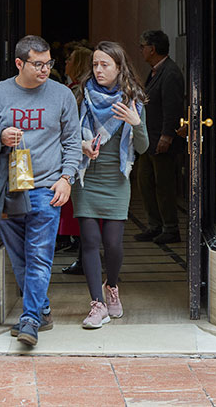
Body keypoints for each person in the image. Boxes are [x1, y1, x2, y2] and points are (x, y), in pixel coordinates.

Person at [0, 35, 81, 346]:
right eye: (38, 64)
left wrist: (66, 178)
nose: (45, 69)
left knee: (39, 256)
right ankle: (42, 309)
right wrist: (0, 136)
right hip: (7, 189)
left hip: (47, 187)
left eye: (48, 63)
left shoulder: (62, 95)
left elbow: (72, 142)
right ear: (19, 63)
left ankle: (30, 318)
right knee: (19, 256)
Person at [72, 41, 149, 328]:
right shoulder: (81, 96)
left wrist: (136, 123)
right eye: (95, 64)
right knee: (90, 242)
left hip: (116, 181)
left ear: (119, 68)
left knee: (113, 244)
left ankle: (112, 285)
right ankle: (97, 304)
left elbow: (142, 147)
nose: (98, 70)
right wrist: (82, 145)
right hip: (87, 179)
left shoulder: (132, 100)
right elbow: (67, 138)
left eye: (105, 64)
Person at [135, 29, 185, 245]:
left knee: (164, 185)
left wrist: (167, 135)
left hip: (161, 139)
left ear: (152, 49)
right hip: (149, 138)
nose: (141, 50)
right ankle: (154, 225)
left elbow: (172, 107)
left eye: (143, 46)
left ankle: (170, 228)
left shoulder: (170, 73)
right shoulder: (156, 71)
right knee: (145, 182)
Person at [59, 44, 94, 276]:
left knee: (82, 210)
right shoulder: (73, 89)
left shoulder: (79, 92)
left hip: (81, 158)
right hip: (76, 156)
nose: (66, 63)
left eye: (70, 59)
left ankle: (85, 258)